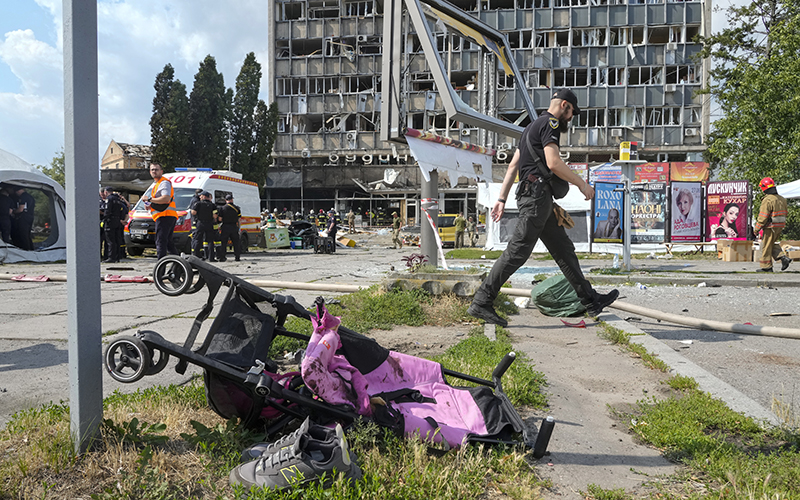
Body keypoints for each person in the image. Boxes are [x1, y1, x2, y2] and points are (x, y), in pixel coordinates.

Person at [468, 89, 619, 326]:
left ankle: (590, 300)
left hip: (538, 198)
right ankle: (482, 301)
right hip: (537, 198)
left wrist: (501, 199)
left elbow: (512, 167)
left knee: (564, 250)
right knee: (517, 252)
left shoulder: (530, 128)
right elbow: (553, 162)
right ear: (565, 106)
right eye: (571, 113)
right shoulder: (551, 123)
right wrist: (582, 184)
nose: (570, 118)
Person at [753, 177, 791, 272]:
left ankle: (767, 268)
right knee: (771, 244)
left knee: (765, 245)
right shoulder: (782, 199)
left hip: (770, 226)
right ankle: (783, 258)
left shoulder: (768, 200)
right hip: (780, 225)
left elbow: (763, 216)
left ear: (763, 188)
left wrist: (756, 229)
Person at [141, 163, 178, 259]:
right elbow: (160, 201)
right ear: (150, 172)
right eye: (152, 169)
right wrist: (151, 206)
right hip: (166, 216)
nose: (154, 171)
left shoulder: (164, 182)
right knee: (168, 243)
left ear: (161, 171)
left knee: (161, 242)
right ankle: (178, 267)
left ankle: (160, 268)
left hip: (165, 216)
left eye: (156, 169)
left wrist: (149, 199)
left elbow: (165, 199)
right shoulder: (157, 184)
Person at [102, 186, 128, 263]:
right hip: (117, 221)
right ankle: (117, 257)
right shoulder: (118, 199)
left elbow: (107, 210)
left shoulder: (109, 199)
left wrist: (104, 219)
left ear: (106, 192)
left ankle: (111, 257)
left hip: (110, 221)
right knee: (117, 239)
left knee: (110, 240)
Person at [191, 191, 218, 261]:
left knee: (197, 239)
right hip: (209, 224)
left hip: (200, 223)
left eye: (201, 196)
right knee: (210, 241)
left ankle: (196, 256)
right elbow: (215, 216)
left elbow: (193, 212)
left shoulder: (198, 204)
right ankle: (211, 257)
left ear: (204, 196)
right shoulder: (212, 205)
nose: (200, 197)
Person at [218, 194, 242, 262]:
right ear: (232, 200)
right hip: (234, 226)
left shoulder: (222, 208)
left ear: (226, 200)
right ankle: (237, 257)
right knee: (236, 243)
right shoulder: (237, 208)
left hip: (225, 226)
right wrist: (239, 228)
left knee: (224, 243)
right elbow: (239, 219)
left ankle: (222, 257)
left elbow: (220, 219)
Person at [12, 186, 35, 250]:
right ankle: (31, 248)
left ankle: (26, 249)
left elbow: (20, 209)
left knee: (23, 234)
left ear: (18, 191)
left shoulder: (23, 197)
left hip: (24, 217)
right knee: (28, 234)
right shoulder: (30, 197)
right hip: (30, 216)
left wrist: (13, 212)